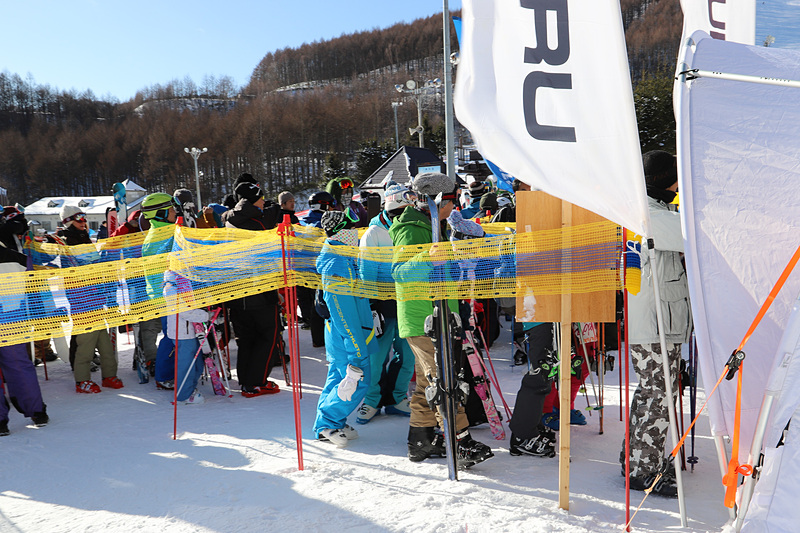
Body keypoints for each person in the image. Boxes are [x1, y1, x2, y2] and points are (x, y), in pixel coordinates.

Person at [390, 172, 494, 468]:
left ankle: (420, 439)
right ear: (437, 202)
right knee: (443, 379)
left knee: (427, 381)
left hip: (437, 313)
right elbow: (399, 272)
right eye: (452, 201)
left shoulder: (432, 224)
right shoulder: (412, 229)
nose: (455, 207)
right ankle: (459, 440)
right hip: (423, 317)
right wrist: (427, 259)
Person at [620, 150, 692, 498]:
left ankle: (635, 457)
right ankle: (642, 470)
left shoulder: (650, 209)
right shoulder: (652, 214)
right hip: (656, 323)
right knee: (656, 396)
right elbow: (692, 236)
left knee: (652, 393)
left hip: (657, 320)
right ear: (664, 180)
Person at [355, 182, 416, 424]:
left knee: (408, 355)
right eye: (397, 212)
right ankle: (372, 400)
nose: (401, 216)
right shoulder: (375, 233)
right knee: (377, 357)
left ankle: (396, 398)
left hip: (408, 300)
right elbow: (366, 270)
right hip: (382, 303)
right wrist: (371, 305)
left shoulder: (411, 227)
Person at [312, 209, 375, 446]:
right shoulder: (336, 262)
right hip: (348, 333)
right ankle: (329, 421)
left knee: (339, 376)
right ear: (340, 231)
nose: (355, 232)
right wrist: (354, 344)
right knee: (356, 378)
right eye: (350, 228)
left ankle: (328, 423)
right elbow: (339, 307)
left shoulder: (344, 255)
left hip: (353, 331)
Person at [225, 182, 283, 397]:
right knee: (268, 336)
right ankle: (257, 381)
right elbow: (273, 215)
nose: (264, 202)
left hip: (236, 290)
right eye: (261, 198)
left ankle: (247, 381)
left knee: (245, 338)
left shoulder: (228, 219)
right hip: (259, 289)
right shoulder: (258, 221)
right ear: (252, 200)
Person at [57, 205, 123, 393]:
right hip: (82, 302)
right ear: (68, 221)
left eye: (84, 218)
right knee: (85, 345)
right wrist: (103, 260)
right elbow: (85, 265)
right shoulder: (67, 242)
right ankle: (82, 380)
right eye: (79, 218)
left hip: (96, 298)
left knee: (104, 344)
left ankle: (109, 375)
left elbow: (95, 263)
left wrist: (108, 256)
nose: (83, 222)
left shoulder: (83, 238)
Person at [0, 209, 49, 435]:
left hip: (11, 312)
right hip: (12, 313)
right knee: (18, 364)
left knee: (18, 363)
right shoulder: (16, 254)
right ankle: (36, 410)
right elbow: (29, 281)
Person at [140, 193, 181, 390]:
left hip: (170, 294)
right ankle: (164, 375)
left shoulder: (166, 231)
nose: (174, 212)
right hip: (167, 296)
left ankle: (174, 372)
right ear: (160, 213)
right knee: (173, 336)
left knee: (177, 335)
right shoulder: (162, 235)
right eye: (171, 209)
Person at [163, 270, 209, 405]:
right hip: (183, 333)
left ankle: (189, 388)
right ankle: (184, 394)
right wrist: (207, 316)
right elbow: (186, 312)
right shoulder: (172, 288)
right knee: (186, 365)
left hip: (191, 331)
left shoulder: (184, 284)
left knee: (196, 362)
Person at [298, 191, 335, 347]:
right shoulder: (320, 224)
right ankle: (321, 339)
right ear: (324, 205)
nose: (333, 209)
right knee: (321, 303)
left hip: (305, 269)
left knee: (315, 303)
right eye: (331, 206)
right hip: (318, 269)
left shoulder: (305, 221)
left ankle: (318, 338)